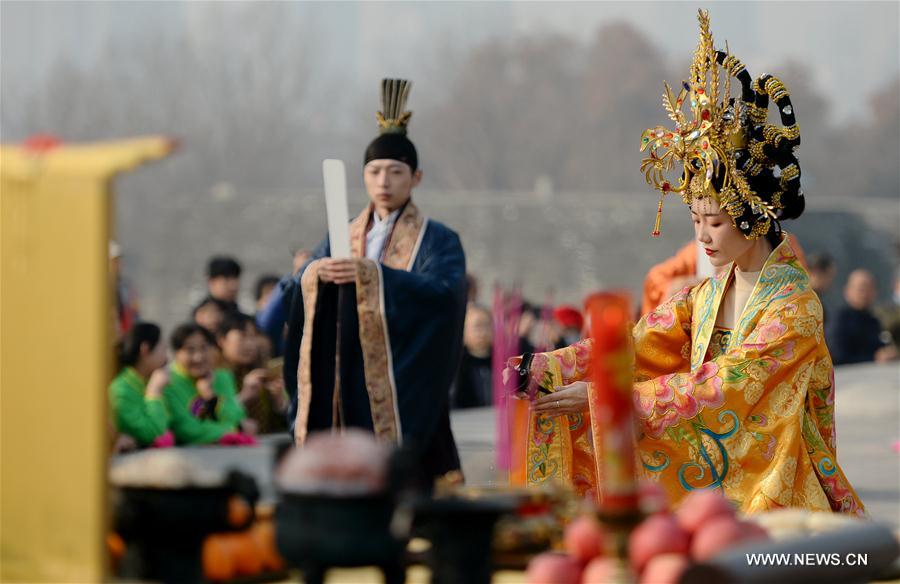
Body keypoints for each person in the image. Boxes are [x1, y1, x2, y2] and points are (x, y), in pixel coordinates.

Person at [508, 11, 863, 515]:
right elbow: (638, 343)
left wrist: (612, 397)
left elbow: (730, 383)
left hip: (773, 481)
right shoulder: (707, 294)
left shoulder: (796, 308)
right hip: (716, 469)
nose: (701, 237)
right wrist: (544, 367)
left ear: (753, 217)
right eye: (695, 220)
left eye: (714, 222)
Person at [285, 79, 467, 486]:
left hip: (406, 381)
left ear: (416, 177)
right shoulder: (340, 236)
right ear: (364, 177)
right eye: (375, 171)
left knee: (414, 481)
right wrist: (312, 275)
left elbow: (445, 295)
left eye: (395, 171)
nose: (384, 181)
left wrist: (372, 276)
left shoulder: (438, 239)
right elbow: (295, 288)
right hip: (345, 376)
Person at [163, 322, 252, 445]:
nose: (198, 357)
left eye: (204, 348)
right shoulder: (168, 383)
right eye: (190, 350)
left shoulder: (222, 377)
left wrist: (211, 397)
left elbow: (237, 416)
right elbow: (186, 430)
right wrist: (234, 430)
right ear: (176, 353)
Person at [216, 312, 288, 434]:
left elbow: (283, 425)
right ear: (222, 340)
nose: (250, 344)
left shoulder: (264, 371)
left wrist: (279, 402)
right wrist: (244, 396)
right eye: (243, 337)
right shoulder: (213, 374)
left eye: (253, 337)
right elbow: (201, 415)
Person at [109, 322, 171, 448]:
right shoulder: (121, 390)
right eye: (163, 349)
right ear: (145, 349)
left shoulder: (151, 379)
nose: (167, 357)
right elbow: (153, 434)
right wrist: (154, 392)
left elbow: (173, 423)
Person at [827, 269, 898, 365]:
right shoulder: (840, 320)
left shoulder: (873, 320)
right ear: (847, 291)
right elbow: (838, 357)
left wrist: (888, 352)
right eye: (861, 289)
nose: (865, 294)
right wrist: (873, 358)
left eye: (870, 288)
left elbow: (878, 347)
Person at [256, 249, 312, 357]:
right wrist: (296, 274)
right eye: (269, 296)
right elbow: (269, 320)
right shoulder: (263, 330)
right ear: (258, 303)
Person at [452, 304, 493, 409]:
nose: (483, 332)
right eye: (477, 326)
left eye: (487, 325)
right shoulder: (455, 366)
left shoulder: (504, 363)